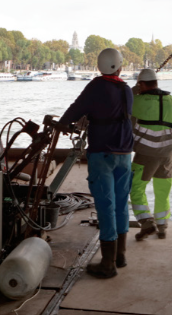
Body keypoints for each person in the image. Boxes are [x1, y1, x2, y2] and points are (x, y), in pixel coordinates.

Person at [59, 48, 133, 279]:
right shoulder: (126, 89)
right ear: (119, 66)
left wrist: (62, 124)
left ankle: (107, 264)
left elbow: (76, 108)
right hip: (125, 154)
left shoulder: (96, 86)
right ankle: (120, 255)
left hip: (103, 154)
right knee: (121, 204)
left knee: (105, 207)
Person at [130, 68, 172, 240]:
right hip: (166, 154)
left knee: (136, 188)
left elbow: (119, 105)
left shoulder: (136, 101)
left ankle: (145, 222)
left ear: (141, 84)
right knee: (162, 190)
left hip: (145, 154)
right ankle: (162, 226)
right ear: (157, 83)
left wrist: (133, 91)